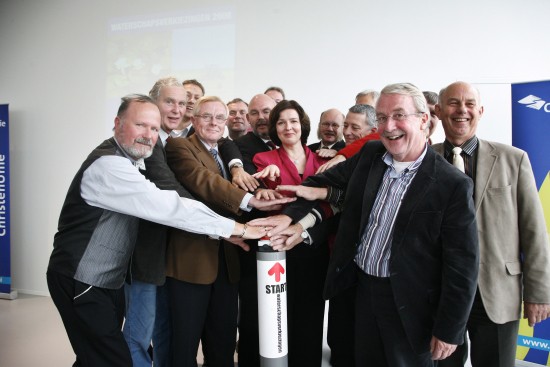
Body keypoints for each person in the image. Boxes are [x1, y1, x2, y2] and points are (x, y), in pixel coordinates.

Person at [253, 83, 480, 366]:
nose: (389, 126)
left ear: (424, 120)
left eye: (399, 115)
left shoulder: (452, 184)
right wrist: (289, 217)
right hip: (361, 293)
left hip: (409, 310)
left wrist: (450, 329)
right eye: (382, 118)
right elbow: (319, 183)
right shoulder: (371, 154)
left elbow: (462, 265)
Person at [46, 94, 268, 367]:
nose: (148, 135)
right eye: (140, 125)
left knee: (93, 356)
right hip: (80, 277)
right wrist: (239, 229)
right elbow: (171, 207)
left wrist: (226, 230)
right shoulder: (110, 165)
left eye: (154, 128)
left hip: (104, 281)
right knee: (112, 359)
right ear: (117, 124)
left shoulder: (132, 161)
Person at [164, 96, 293, 366]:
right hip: (192, 262)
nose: (214, 122)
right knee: (185, 344)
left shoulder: (227, 150)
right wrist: (249, 201)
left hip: (228, 260)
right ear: (194, 119)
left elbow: (245, 178)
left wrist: (264, 192)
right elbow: (204, 182)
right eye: (206, 116)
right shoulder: (179, 147)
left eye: (219, 118)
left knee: (222, 342)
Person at [434, 81, 550, 367]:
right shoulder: (425, 161)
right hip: (439, 294)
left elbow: (534, 230)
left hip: (497, 293)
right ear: (438, 110)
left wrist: (539, 293)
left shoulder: (513, 159)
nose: (462, 110)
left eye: (470, 104)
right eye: (453, 103)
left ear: (480, 111)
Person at [244, 99, 331, 367]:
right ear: (274, 128)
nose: (288, 127)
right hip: (276, 252)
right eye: (281, 122)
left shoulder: (323, 160)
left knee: (309, 319)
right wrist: (263, 188)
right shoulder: (264, 159)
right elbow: (261, 195)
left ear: (302, 125)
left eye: (293, 121)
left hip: (314, 249)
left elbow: (330, 204)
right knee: (275, 322)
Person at [122, 77, 188, 367]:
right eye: (169, 102)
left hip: (161, 257)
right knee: (138, 335)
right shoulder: (145, 144)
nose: (176, 110)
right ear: (152, 104)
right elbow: (169, 189)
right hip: (141, 257)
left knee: (159, 330)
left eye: (182, 103)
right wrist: (226, 223)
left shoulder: (168, 142)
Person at [317, 104, 380, 173]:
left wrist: (343, 155)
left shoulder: (380, 158)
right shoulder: (337, 154)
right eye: (345, 126)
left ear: (373, 131)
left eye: (355, 128)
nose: (346, 132)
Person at [234, 94, 278, 174]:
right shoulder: (239, 146)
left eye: (266, 112)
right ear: (248, 118)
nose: (260, 117)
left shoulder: (288, 141)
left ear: (276, 114)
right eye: (254, 113)